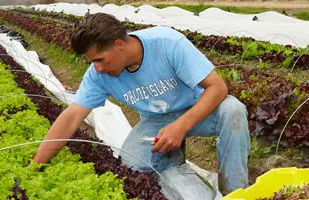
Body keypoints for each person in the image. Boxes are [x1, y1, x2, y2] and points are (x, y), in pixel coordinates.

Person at [32, 13, 251, 195]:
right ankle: (176, 170)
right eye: (92, 62)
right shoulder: (98, 75)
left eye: (99, 59)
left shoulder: (167, 43)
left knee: (233, 110)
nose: (97, 68)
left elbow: (218, 88)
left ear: (119, 45)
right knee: (132, 167)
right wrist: (35, 165)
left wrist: (180, 126)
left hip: (199, 110)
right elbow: (71, 117)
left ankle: (235, 192)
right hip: (156, 122)